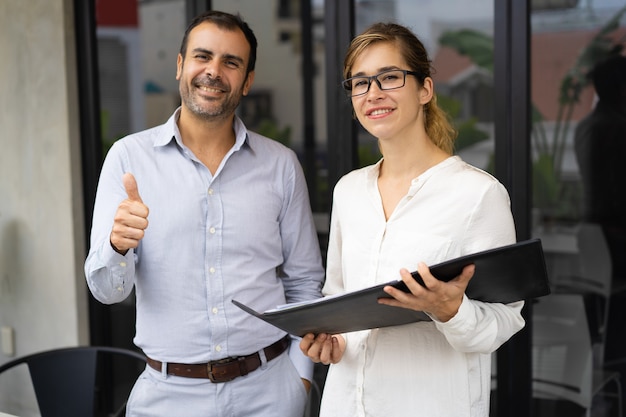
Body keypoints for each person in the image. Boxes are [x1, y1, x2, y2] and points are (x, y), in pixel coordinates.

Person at [84, 10, 324, 417]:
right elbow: (108, 292)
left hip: (269, 393)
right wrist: (116, 246)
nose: (214, 71)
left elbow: (304, 283)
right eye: (202, 56)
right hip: (167, 398)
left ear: (247, 81)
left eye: (231, 62)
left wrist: (300, 381)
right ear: (181, 66)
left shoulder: (281, 164)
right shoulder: (128, 158)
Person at [299, 22, 525, 417]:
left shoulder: (477, 194)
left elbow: (505, 320)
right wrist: (330, 340)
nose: (373, 93)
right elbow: (336, 299)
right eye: (360, 82)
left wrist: (451, 311)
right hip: (345, 405)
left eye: (389, 77)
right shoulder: (348, 191)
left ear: (425, 89)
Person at [574, 54, 626, 281]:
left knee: (600, 302)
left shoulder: (585, 127)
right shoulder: (617, 128)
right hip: (616, 233)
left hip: (592, 231)